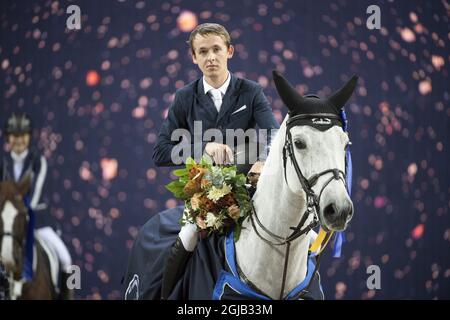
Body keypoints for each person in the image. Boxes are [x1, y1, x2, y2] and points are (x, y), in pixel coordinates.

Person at [151, 23, 280, 299]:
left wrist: (265, 161)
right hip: (205, 192)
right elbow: (161, 152)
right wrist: (203, 148)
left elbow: (274, 134)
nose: (211, 57)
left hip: (248, 189)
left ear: (229, 51)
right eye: (203, 51)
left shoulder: (251, 91)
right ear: (194, 58)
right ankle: (165, 296)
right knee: (188, 235)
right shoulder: (184, 97)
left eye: (216, 49)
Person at [0, 113, 72, 299]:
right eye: (14, 136)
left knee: (68, 261)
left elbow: (34, 195)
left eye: (22, 135)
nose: (18, 140)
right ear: (8, 138)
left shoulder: (38, 161)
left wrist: (20, 210)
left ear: (28, 137)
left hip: (37, 221)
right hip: (6, 222)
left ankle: (70, 294)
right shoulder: (2, 163)